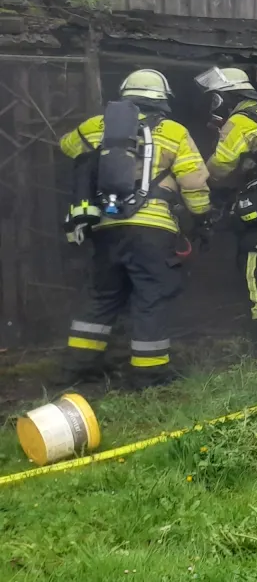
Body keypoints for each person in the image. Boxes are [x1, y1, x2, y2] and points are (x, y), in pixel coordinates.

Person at [58, 69, 211, 388]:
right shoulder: (174, 131)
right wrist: (202, 215)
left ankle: (76, 368)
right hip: (153, 230)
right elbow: (194, 181)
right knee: (151, 297)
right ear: (162, 99)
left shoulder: (97, 125)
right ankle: (149, 373)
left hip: (106, 226)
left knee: (101, 296)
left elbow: (67, 147)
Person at [196, 67, 257, 358]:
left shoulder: (239, 121)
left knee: (254, 268)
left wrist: (202, 177)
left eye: (215, 98)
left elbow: (221, 165)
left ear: (227, 97)